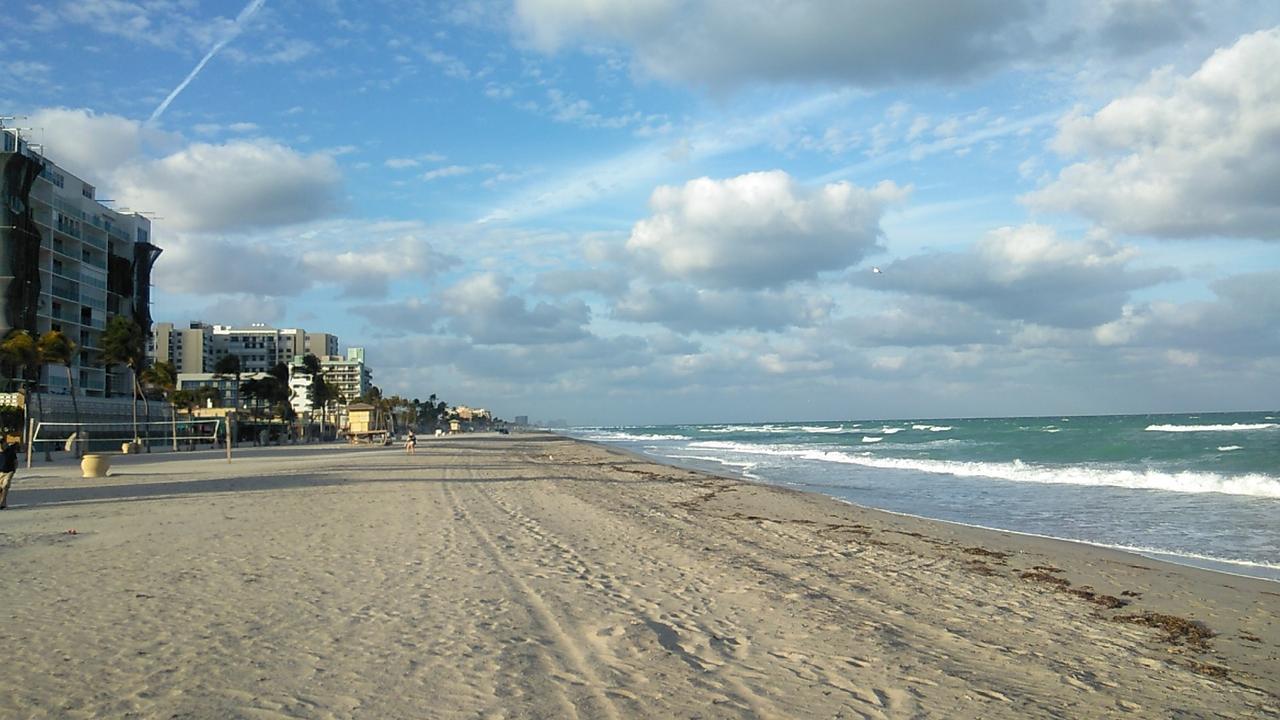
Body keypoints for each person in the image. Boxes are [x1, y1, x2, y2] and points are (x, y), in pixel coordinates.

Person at [0, 434, 19, 509]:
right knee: (1, 488)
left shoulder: (10, 451)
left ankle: (2, 503)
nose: (1, 445)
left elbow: (15, 461)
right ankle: (2, 502)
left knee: (6, 485)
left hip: (9, 471)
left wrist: (14, 470)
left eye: (2, 443)